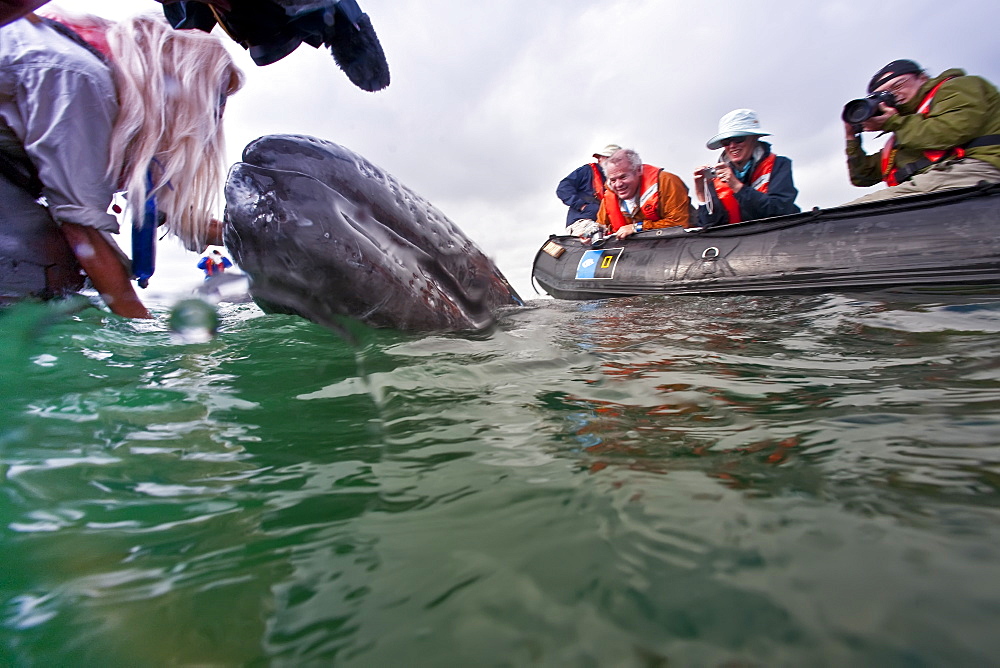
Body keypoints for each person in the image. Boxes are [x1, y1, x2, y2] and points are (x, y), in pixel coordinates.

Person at [0, 11, 244, 317]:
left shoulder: (103, 84)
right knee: (49, 264)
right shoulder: (79, 78)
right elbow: (83, 231)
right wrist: (144, 342)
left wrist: (256, 236)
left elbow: (173, 216)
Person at [844, 59, 1000, 204]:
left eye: (898, 85)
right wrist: (851, 137)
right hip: (937, 180)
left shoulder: (959, 86)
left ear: (923, 78)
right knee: (838, 217)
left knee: (852, 215)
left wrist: (893, 122)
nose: (894, 95)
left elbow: (948, 133)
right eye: (882, 95)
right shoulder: (905, 126)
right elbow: (862, 176)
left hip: (980, 167)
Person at [692, 109, 800, 227]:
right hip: (738, 242)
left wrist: (737, 187)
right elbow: (708, 226)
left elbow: (780, 210)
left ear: (755, 138)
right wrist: (702, 195)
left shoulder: (779, 165)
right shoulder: (715, 176)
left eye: (739, 139)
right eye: (726, 141)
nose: (732, 146)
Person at [595, 148, 692, 240]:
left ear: (638, 170)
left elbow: (679, 223)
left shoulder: (668, 182)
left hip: (679, 244)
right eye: (613, 180)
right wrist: (590, 233)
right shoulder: (609, 196)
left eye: (623, 177)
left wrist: (638, 227)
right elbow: (602, 225)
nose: (618, 184)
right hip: (633, 250)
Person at [556, 144, 620, 237]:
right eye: (605, 158)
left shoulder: (621, 180)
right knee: (592, 235)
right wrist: (581, 205)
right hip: (583, 222)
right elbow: (563, 188)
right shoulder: (586, 171)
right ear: (599, 159)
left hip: (608, 226)